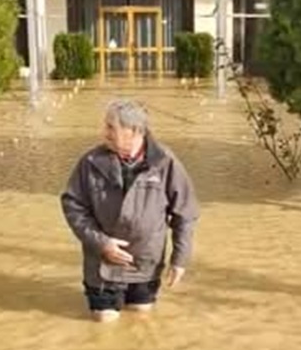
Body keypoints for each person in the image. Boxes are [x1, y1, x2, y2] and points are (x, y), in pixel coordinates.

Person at [60, 99, 199, 322]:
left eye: (110, 127)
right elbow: (72, 205)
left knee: (140, 318)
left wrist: (179, 260)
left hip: (146, 262)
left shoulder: (165, 162)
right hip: (102, 264)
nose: (104, 133)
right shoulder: (90, 162)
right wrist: (102, 243)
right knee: (104, 322)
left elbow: (185, 213)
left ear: (133, 131)